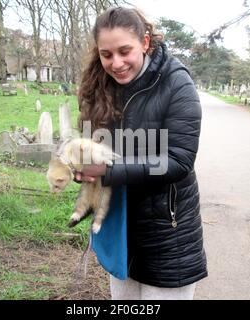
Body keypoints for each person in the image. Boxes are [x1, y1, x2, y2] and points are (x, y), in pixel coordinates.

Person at [74, 6, 207, 300]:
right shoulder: (100, 85)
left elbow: (178, 161)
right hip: (120, 227)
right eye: (106, 55)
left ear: (145, 42)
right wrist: (82, 166)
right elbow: (92, 145)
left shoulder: (176, 82)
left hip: (167, 232)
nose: (116, 63)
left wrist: (109, 171)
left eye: (125, 51)